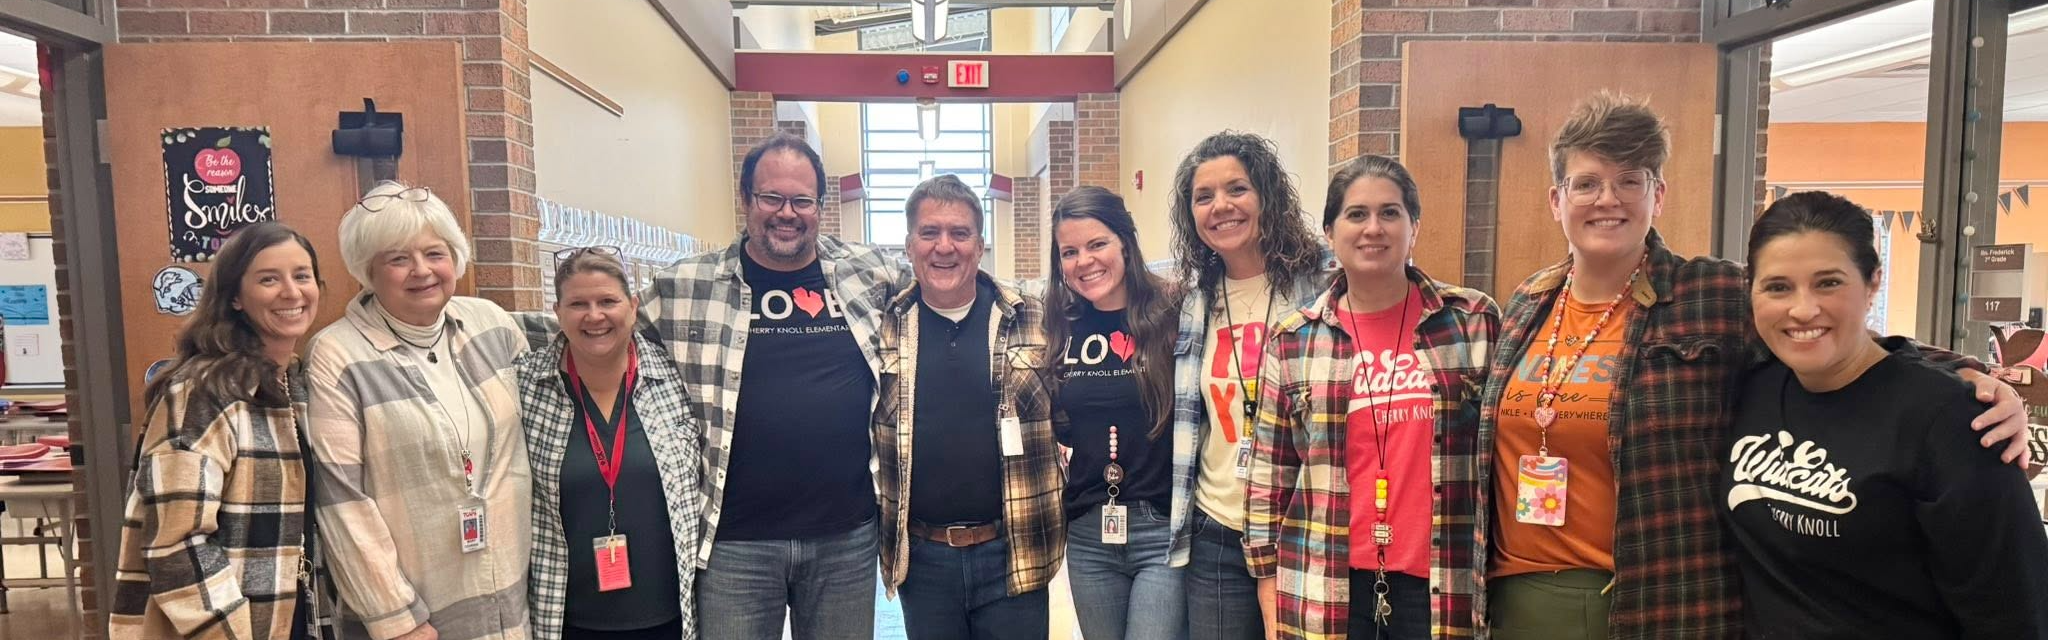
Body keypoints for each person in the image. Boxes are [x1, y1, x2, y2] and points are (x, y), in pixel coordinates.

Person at [1476, 93, 2031, 639]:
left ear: (1657, 195)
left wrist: (1970, 377)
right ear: (1557, 200)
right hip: (1515, 596)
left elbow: (1824, 331)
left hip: (1655, 601)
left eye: (1630, 181)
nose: (1608, 199)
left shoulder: (1709, 292)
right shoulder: (1529, 301)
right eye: (1587, 183)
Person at [1721, 191, 2048, 639]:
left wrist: (1975, 376)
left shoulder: (1955, 420)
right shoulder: (1753, 385)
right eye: (1778, 287)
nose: (1803, 309)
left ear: (1872, 284)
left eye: (1828, 283)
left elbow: (2016, 612)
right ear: (1751, 292)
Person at [654, 134, 901, 640]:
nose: (787, 213)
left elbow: (947, 289)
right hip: (734, 544)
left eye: (802, 201)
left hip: (845, 538)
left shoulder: (868, 274)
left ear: (820, 207)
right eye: (772, 198)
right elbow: (601, 327)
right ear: (746, 198)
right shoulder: (685, 286)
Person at [1246, 156, 1498, 640]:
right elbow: (1270, 473)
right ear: (1329, 231)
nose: (1373, 228)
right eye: (1356, 214)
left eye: (1390, 213)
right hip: (1326, 582)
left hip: (1444, 583)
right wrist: (1266, 579)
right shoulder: (1294, 339)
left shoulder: (1472, 322)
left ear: (1414, 226)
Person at [306, 182, 532, 640]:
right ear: (368, 270)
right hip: (412, 618)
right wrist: (396, 619)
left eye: (434, 253)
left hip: (511, 601)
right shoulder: (337, 355)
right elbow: (341, 501)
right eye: (398, 259)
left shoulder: (492, 325)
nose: (422, 270)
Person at [110, 221, 338, 640]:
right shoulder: (203, 391)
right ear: (234, 297)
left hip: (293, 614)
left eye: (302, 276)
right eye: (269, 279)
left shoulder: (296, 382)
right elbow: (175, 541)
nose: (292, 292)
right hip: (223, 626)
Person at [874, 175, 1065, 640]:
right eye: (929, 232)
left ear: (980, 246)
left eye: (959, 233)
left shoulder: (1034, 317)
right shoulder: (883, 326)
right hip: (924, 560)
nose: (945, 246)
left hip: (1014, 552)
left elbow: (1072, 413)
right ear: (909, 245)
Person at [1164, 132, 1329, 640]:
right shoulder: (1194, 301)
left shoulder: (1322, 286)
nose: (1221, 206)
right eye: (1204, 196)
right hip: (1217, 530)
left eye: (1237, 189)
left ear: (1267, 196)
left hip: (1306, 526)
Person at [519, 246, 703, 640]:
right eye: (578, 304)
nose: (594, 316)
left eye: (607, 301)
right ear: (557, 313)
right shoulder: (525, 387)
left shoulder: (678, 379)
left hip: (670, 616)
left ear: (633, 307)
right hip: (567, 618)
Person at [1044, 185, 1187, 640]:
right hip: (1089, 532)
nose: (1084, 261)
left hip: (1160, 527)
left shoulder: (1175, 313)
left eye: (1097, 244)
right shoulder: (1059, 325)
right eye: (1069, 252)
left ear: (1124, 241)